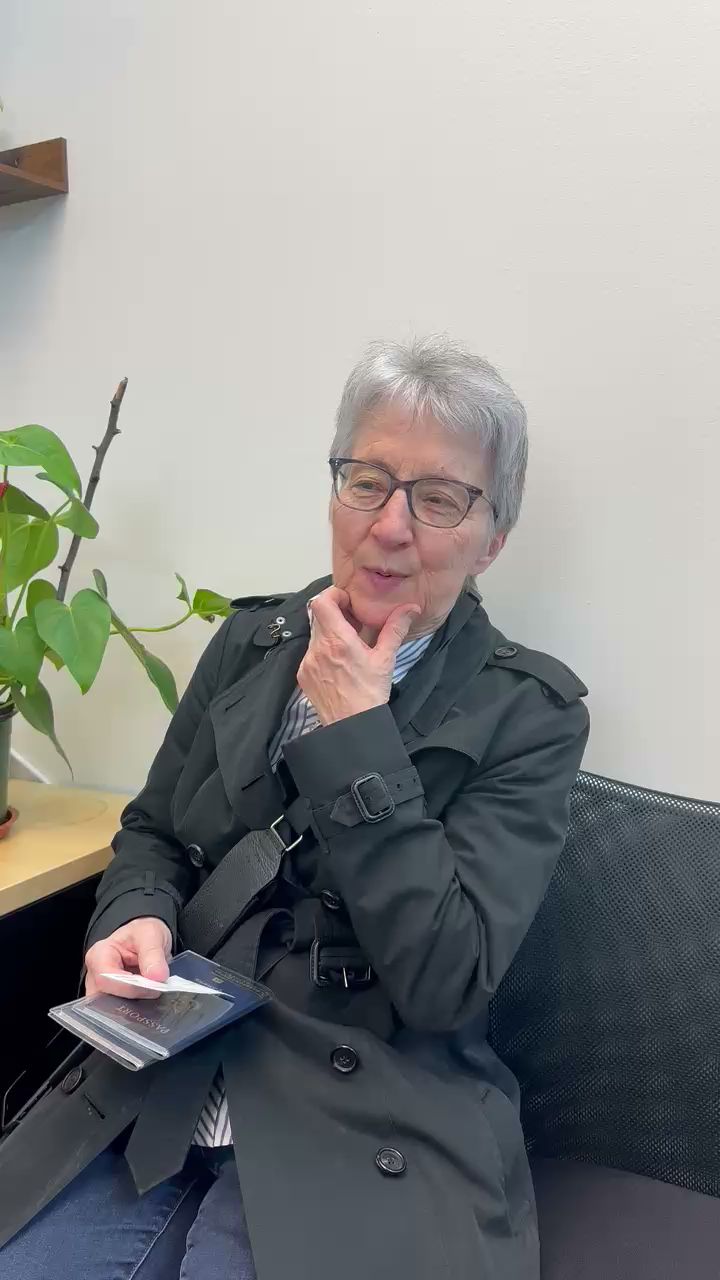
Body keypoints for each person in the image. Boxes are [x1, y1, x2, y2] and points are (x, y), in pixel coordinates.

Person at [0, 336, 589, 1279]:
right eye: (368, 481)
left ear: (493, 538)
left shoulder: (529, 714)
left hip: (361, 1107)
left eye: (439, 499)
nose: (390, 526)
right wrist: (132, 916)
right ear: (335, 489)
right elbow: (153, 833)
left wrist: (358, 739)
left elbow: (446, 981)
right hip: (167, 1066)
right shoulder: (251, 642)